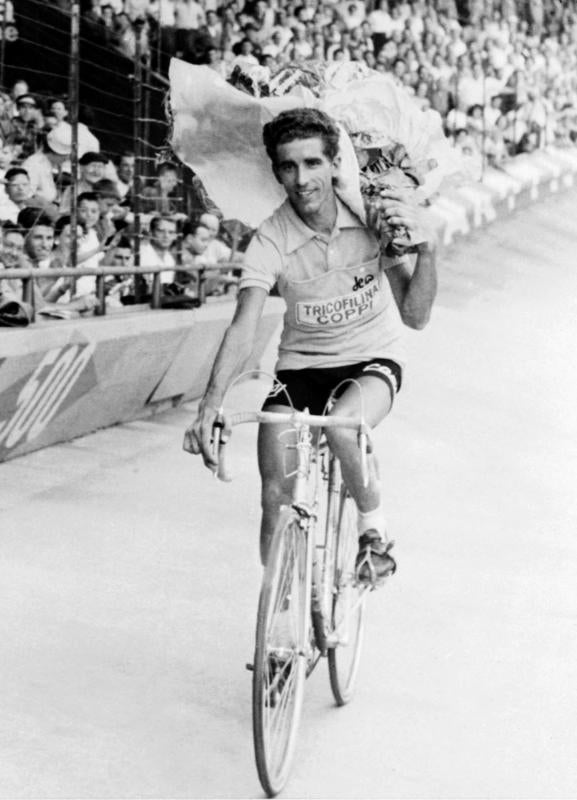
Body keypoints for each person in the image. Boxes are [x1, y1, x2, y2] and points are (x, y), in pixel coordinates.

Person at [183, 108, 437, 582]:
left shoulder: (370, 217)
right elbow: (243, 326)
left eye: (312, 163)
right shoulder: (270, 240)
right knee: (275, 495)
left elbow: (416, 315)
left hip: (370, 362)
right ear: (276, 172)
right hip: (300, 372)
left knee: (344, 426)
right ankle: (279, 610)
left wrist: (428, 250)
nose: (301, 180)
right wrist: (210, 405)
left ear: (335, 163)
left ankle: (373, 532)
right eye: (288, 166)